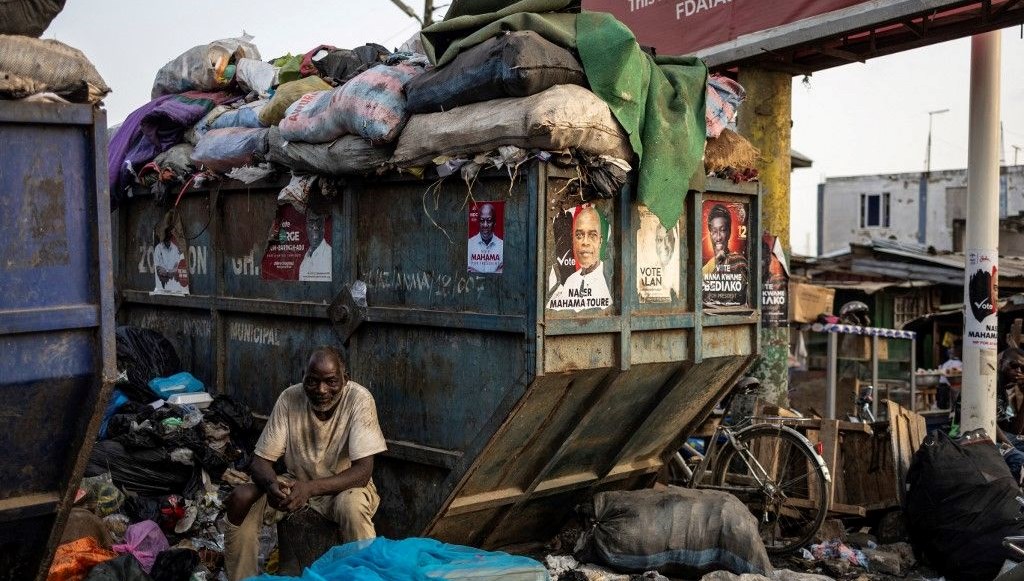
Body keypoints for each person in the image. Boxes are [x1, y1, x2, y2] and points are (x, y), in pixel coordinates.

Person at [223, 347, 386, 580]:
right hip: (297, 483)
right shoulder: (290, 398)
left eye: (331, 382)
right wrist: (271, 486)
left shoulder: (359, 399)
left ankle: (367, 575)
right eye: (312, 382)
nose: (321, 390)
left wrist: (309, 489)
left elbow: (362, 472)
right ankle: (243, 577)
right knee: (242, 498)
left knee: (352, 506)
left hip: (343, 487)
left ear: (345, 379)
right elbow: (260, 461)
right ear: (303, 377)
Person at [547, 206, 611, 311]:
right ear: (573, 241)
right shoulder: (571, 281)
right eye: (579, 235)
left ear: (600, 241)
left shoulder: (609, 280)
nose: (585, 242)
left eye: (592, 235)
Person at [702, 204, 748, 276]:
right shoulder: (705, 269)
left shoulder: (739, 262)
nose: (718, 237)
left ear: (729, 232)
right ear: (710, 234)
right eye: (714, 231)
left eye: (723, 230)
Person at [467, 203, 503, 273]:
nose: (485, 225)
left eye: (489, 220)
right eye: (482, 220)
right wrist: (495, 273)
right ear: (478, 223)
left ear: (494, 223)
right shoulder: (469, 244)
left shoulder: (502, 246)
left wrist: (476, 272)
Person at [298, 211, 331, 282]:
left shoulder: (330, 256)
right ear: (306, 228)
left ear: (323, 229)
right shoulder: (304, 262)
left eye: (318, 225)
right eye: (311, 225)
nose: (315, 228)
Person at [153, 226, 185, 292]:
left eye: (170, 235)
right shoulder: (158, 248)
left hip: (173, 284)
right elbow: (158, 267)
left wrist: (168, 272)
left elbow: (176, 266)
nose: (169, 236)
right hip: (161, 284)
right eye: (167, 234)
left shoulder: (175, 248)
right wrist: (168, 272)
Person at [936, 340, 962, 410]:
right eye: (950, 348)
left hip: (945, 387)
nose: (951, 350)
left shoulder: (948, 363)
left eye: (953, 348)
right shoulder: (958, 364)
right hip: (946, 388)